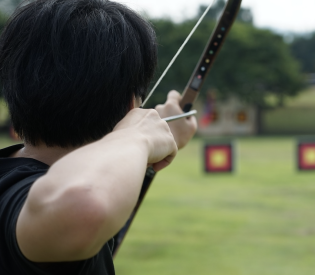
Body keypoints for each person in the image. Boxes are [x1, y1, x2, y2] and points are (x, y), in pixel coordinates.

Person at [0, 0, 197, 274]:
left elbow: (102, 183)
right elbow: (85, 203)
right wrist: (138, 138)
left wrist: (157, 141)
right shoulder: (26, 196)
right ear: (131, 104)